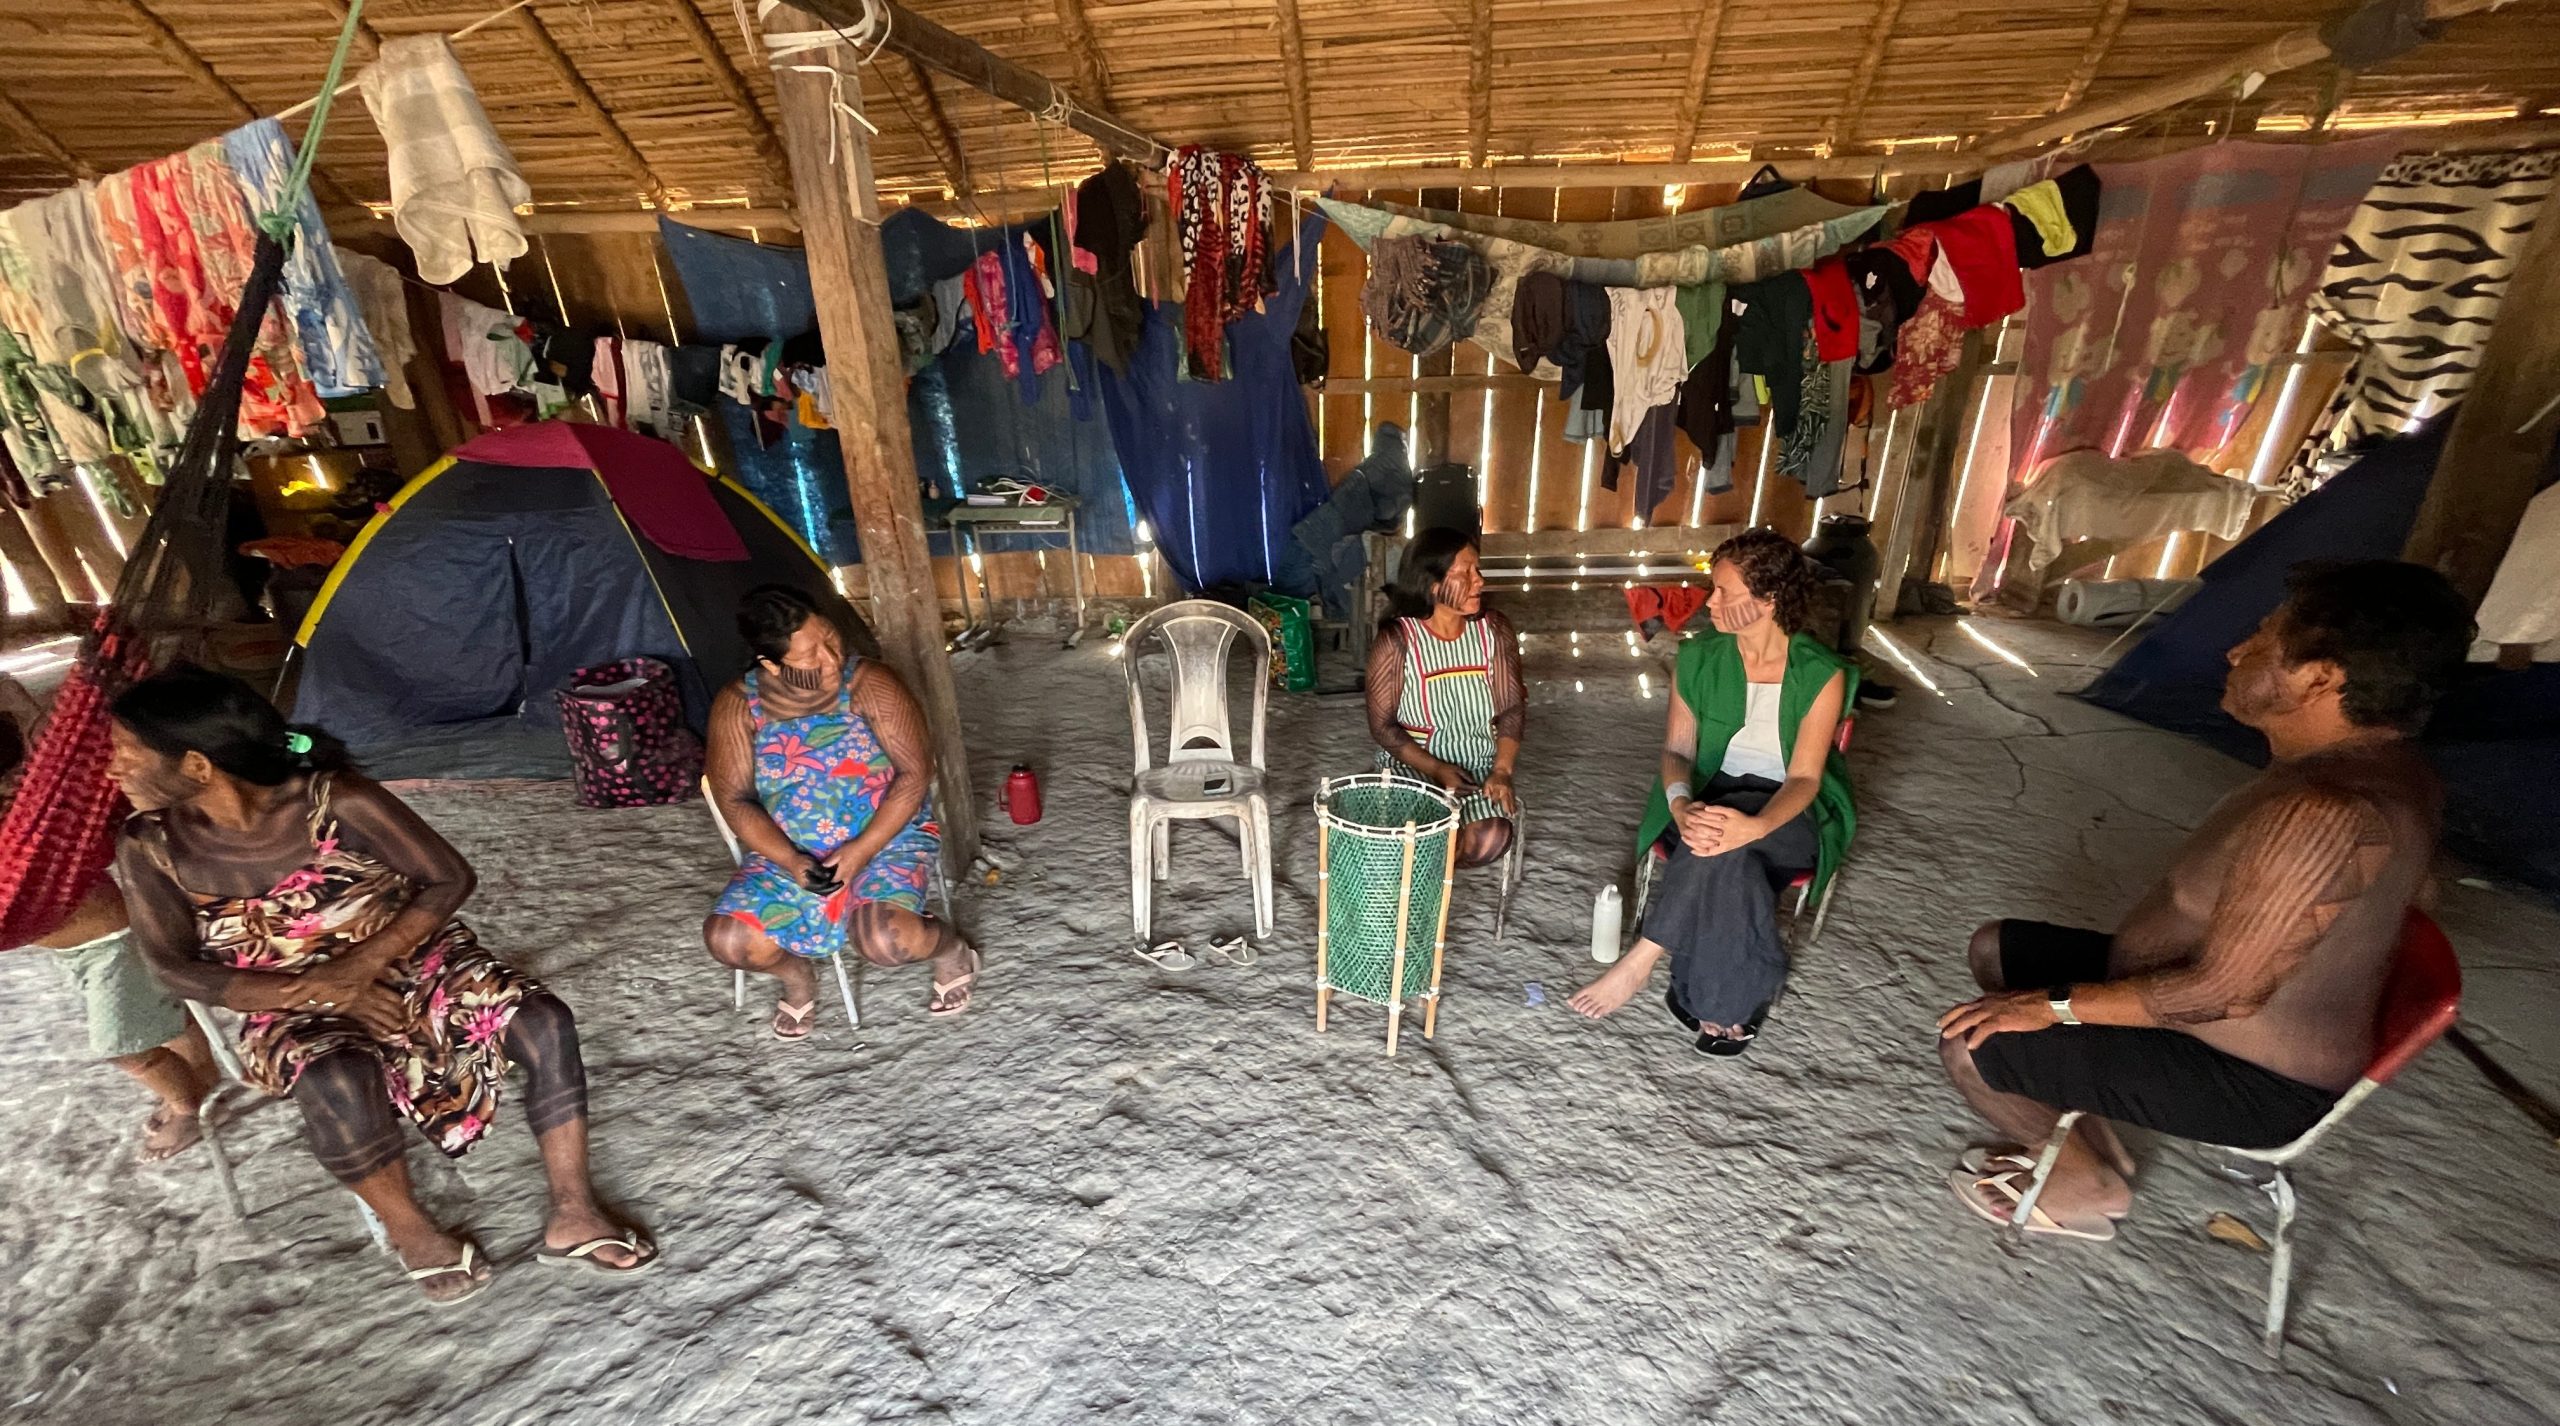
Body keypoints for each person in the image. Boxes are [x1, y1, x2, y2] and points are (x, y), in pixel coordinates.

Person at [1938, 561, 2471, 1241]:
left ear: (2321, 678)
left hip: (2253, 1075)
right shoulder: (2387, 768)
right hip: (2215, 1008)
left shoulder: (2329, 814)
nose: (2234, 651)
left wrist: (2048, 1006)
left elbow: (2222, 996)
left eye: (2262, 641)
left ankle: (2086, 1194)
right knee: (1997, 947)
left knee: (1973, 1044)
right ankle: (2092, 1137)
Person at [110, 667, 653, 1301]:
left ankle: (574, 1210)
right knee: (333, 1074)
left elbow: (448, 879)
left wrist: (360, 968)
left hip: (411, 959)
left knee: (542, 1019)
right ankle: (411, 1231)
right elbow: (172, 967)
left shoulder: (335, 801)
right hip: (281, 1001)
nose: (112, 771)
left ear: (198, 765)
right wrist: (320, 991)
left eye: (126, 753)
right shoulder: (151, 846)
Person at [1568, 528, 1852, 1054]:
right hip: (1713, 793)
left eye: (1725, 593)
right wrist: (1679, 805)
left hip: (1788, 812)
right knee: (1725, 855)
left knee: (1721, 838)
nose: (1709, 602)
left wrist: (1757, 824)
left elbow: (1806, 779)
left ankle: (1641, 962)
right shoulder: (1698, 659)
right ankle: (1725, 1005)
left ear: (1769, 601)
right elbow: (1676, 751)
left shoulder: (1820, 673)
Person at [704, 584, 978, 1037]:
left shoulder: (870, 684)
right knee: (727, 939)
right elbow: (734, 800)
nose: (831, 659)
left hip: (888, 836)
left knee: (884, 941)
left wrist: (861, 850)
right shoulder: (738, 705)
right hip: (790, 850)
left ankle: (950, 950)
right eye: (810, 656)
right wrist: (791, 860)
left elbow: (915, 774)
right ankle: (797, 977)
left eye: (830, 638)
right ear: (770, 663)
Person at [2, 679, 216, 1161]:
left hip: (113, 945)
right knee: (163, 1015)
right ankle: (201, 1078)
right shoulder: (21, 814)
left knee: (124, 1046)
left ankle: (186, 1109)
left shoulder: (26, 810)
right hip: (82, 944)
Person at [1365, 527, 1524, 869]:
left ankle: (1426, 873)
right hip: (1414, 765)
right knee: (1429, 830)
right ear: (1432, 584)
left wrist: (1501, 770)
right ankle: (1419, 891)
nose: (1478, 580)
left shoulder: (1493, 631)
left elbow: (1511, 708)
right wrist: (1436, 769)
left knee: (1491, 835)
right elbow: (1382, 727)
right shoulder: (1398, 640)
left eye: (1477, 570)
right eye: (1465, 573)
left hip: (1477, 767)